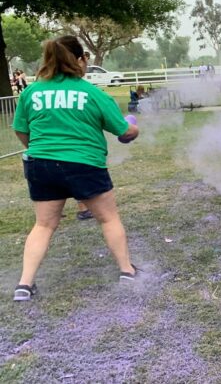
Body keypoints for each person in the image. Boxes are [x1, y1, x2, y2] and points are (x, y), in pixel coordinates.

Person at [11, 35, 140, 301]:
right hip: (84, 164)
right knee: (108, 218)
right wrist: (133, 127)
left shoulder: (31, 92)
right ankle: (127, 270)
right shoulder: (93, 93)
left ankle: (24, 285)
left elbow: (21, 131)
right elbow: (124, 133)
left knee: (44, 225)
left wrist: (40, 149)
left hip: (40, 164)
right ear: (80, 60)